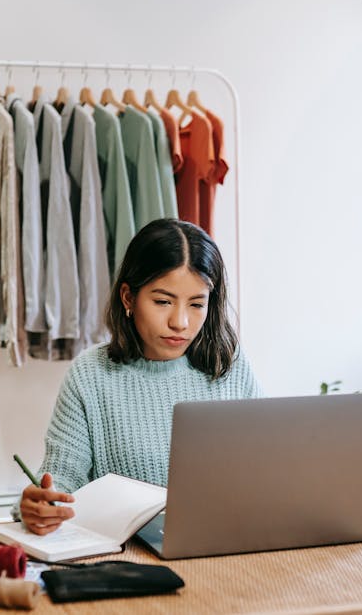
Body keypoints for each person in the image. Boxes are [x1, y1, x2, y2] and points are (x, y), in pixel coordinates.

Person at [18, 218, 261, 535]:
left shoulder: (229, 363)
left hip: (227, 543)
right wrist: (41, 506)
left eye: (197, 303)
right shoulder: (90, 375)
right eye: (162, 302)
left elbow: (264, 469)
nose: (180, 322)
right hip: (130, 558)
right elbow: (60, 481)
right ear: (128, 298)